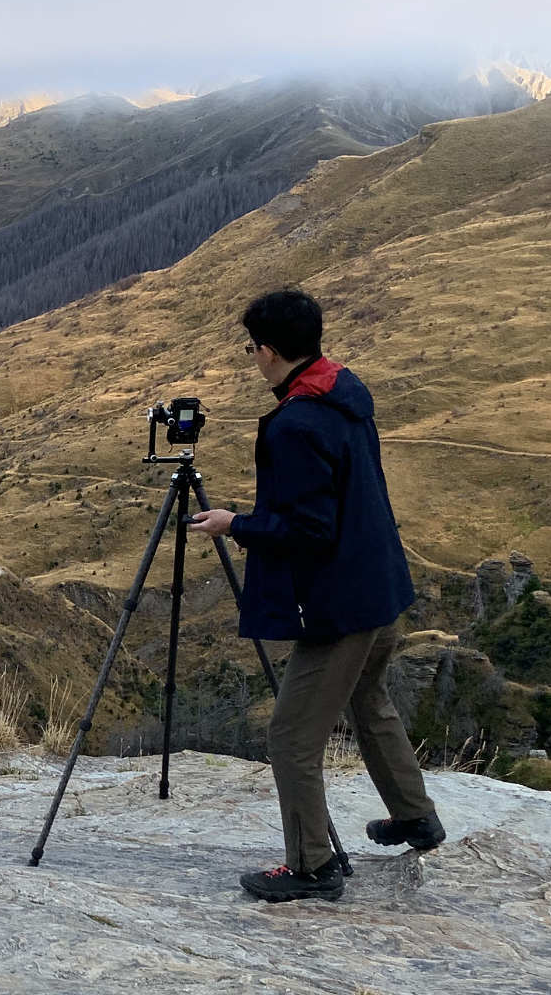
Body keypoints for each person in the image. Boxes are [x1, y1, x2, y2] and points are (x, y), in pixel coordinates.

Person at [189, 288, 444, 903]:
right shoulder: (344, 392)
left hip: (339, 601)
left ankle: (311, 866)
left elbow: (308, 530)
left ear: (269, 351)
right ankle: (415, 817)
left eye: (252, 348)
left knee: (291, 736)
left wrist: (235, 524)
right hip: (379, 583)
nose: (252, 358)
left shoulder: (296, 424)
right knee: (369, 699)